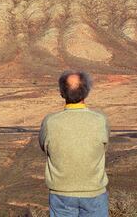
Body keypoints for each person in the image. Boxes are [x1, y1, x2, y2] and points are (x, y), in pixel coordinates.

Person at [39, 70, 110, 217]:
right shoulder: (100, 120)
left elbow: (44, 146)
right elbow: (104, 147)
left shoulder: (50, 122)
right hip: (94, 192)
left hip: (61, 193)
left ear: (62, 93)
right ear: (86, 92)